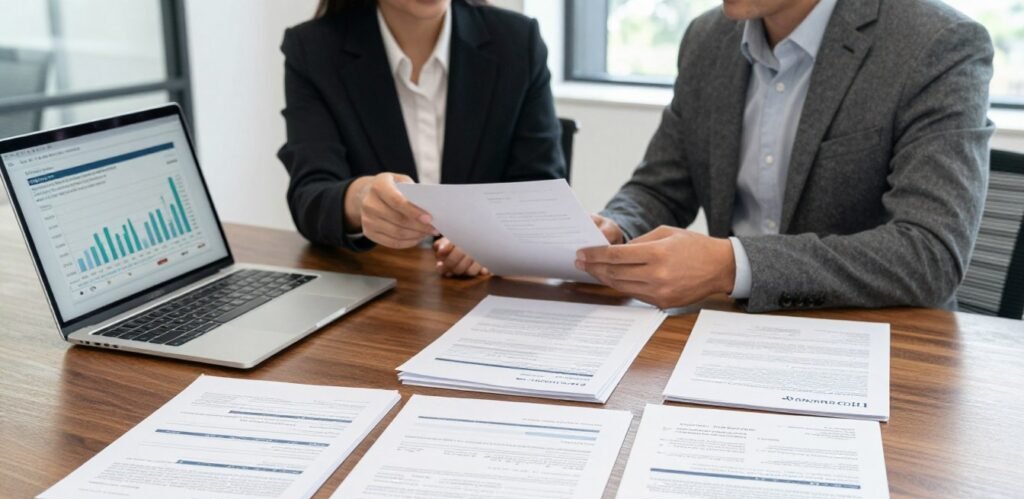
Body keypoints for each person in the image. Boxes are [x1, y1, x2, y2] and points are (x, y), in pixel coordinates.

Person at [576, 0, 994, 312]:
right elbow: (661, 186)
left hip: (876, 343)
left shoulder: (937, 43)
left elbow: (930, 254)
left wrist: (733, 266)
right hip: (727, 334)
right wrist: (619, 227)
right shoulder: (707, 39)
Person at [278, 0, 564, 277]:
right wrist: (360, 200)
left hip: (490, 296)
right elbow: (310, 196)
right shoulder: (313, 49)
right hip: (381, 287)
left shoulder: (517, 41)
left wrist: (490, 238)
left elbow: (541, 188)